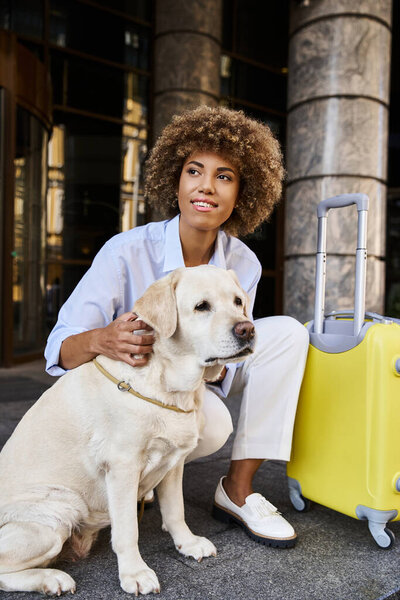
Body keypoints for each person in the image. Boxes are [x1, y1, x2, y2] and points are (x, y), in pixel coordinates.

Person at [45, 105, 309, 548]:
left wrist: (220, 358)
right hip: (120, 402)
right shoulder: (125, 251)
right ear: (176, 179)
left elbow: (221, 368)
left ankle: (237, 491)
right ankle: (127, 476)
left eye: (225, 176)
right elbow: (60, 351)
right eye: (194, 171)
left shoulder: (244, 264)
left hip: (191, 382)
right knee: (202, 425)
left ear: (242, 193)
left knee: (285, 338)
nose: (207, 186)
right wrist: (102, 338)